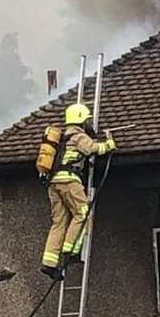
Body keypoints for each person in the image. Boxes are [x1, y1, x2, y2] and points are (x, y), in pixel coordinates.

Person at [40, 101, 115, 281]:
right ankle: (70, 251)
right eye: (87, 121)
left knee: (59, 222)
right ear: (82, 120)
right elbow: (92, 149)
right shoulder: (78, 135)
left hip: (54, 183)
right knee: (82, 214)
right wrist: (109, 144)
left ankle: (49, 263)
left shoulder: (62, 138)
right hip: (69, 181)